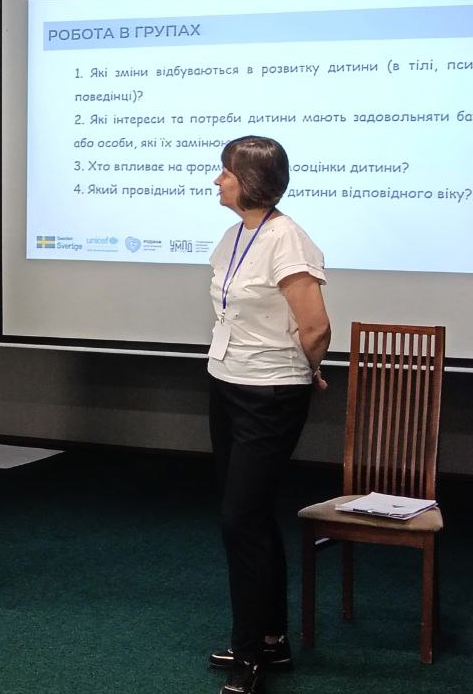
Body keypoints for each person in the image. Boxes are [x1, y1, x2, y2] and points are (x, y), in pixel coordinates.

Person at [205, 136, 331, 694]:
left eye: (226, 172)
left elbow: (316, 326)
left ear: (251, 181)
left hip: (271, 392)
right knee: (248, 517)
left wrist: (310, 368)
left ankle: (250, 653)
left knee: (240, 518)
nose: (217, 180)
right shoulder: (236, 234)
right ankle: (271, 640)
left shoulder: (287, 239)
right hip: (227, 382)